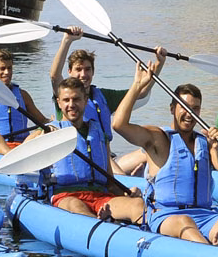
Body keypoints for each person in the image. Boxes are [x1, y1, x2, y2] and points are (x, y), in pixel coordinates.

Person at [112, 61, 218, 248]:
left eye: (195, 109)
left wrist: (216, 147)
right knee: (185, 222)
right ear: (172, 109)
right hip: (168, 216)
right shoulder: (158, 138)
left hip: (206, 215)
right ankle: (213, 253)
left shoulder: (204, 141)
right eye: (183, 107)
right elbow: (118, 125)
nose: (189, 114)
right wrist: (137, 86)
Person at [48, 26, 164, 174]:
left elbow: (140, 93)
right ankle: (125, 179)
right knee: (114, 168)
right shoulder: (65, 97)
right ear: (69, 72)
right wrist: (67, 40)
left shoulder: (103, 96)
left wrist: (159, 64)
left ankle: (146, 181)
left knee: (151, 150)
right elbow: (54, 76)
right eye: (78, 69)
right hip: (79, 160)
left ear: (93, 72)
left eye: (87, 69)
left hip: (107, 157)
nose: (83, 74)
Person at [32, 77, 145, 221]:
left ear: (85, 100)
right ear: (59, 103)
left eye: (76, 99)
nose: (71, 105)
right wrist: (41, 138)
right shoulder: (49, 132)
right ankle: (102, 224)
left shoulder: (98, 133)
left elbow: (110, 181)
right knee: (76, 206)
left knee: (137, 205)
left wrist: (126, 194)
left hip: (100, 196)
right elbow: (26, 149)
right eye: (66, 100)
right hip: (66, 196)